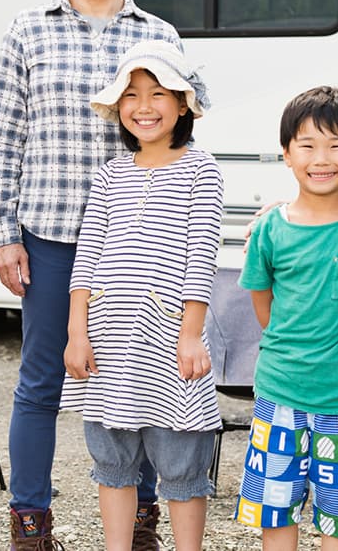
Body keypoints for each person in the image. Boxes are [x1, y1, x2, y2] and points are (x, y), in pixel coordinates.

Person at [0, 0, 183, 550]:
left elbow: (177, 139)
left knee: (141, 376)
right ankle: (30, 523)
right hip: (51, 235)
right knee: (42, 381)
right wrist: (3, 232)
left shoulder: (158, 35)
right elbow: (4, 136)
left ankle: (144, 519)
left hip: (139, 240)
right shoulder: (28, 30)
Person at [61, 41, 221, 551]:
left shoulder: (202, 170)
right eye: (131, 94)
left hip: (170, 343)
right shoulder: (109, 174)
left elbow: (202, 259)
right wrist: (76, 334)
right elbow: (85, 262)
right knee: (112, 464)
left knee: (181, 464)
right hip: (107, 344)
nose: (144, 106)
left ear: (183, 104)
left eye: (158, 93)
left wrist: (191, 335)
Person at [236, 86, 338, 551]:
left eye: (336, 145)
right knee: (276, 511)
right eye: (307, 145)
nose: (321, 158)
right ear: (286, 154)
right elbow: (266, 313)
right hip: (280, 396)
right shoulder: (268, 229)